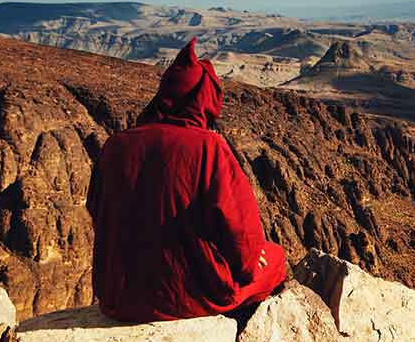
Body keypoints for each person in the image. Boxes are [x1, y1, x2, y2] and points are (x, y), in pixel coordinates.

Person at [86, 38, 286, 322]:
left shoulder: (115, 145)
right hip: (189, 296)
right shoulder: (207, 147)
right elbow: (239, 227)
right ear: (204, 98)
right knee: (275, 258)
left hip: (117, 297)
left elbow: (97, 210)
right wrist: (251, 263)